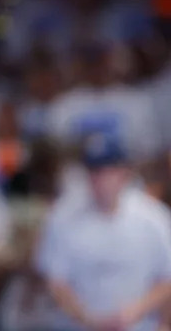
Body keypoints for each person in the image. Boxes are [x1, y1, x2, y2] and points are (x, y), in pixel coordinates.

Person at [35, 132, 171, 330]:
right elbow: (54, 281)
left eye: (107, 170)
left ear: (124, 172)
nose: (99, 179)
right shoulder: (63, 217)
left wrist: (138, 311)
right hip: (80, 326)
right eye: (93, 171)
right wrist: (87, 318)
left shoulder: (154, 217)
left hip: (138, 324)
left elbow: (167, 278)